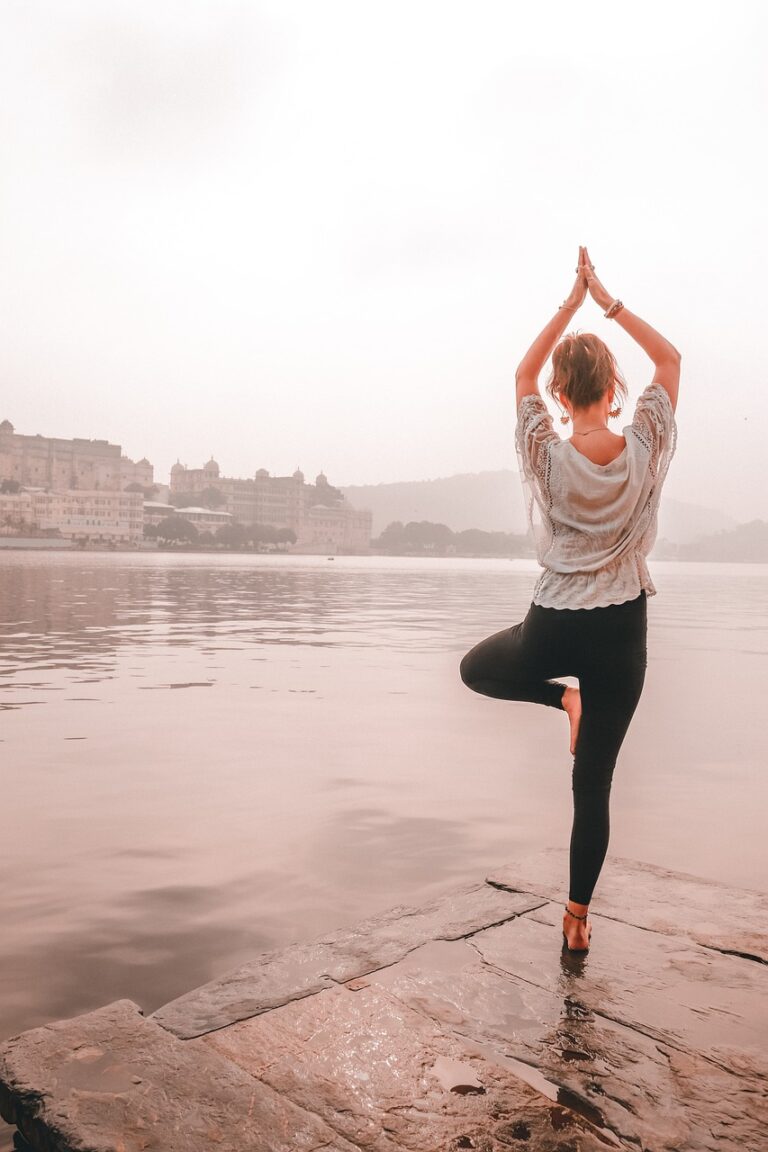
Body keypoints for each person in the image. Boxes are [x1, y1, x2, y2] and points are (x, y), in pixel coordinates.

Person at [459, 246, 679, 954]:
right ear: (614, 386)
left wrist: (570, 304)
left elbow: (521, 372)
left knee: (477, 669)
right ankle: (577, 920)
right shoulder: (645, 447)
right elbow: (670, 361)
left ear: (559, 394)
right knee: (595, 786)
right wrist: (607, 300)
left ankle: (562, 700)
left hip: (552, 627)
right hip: (622, 633)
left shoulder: (545, 455)